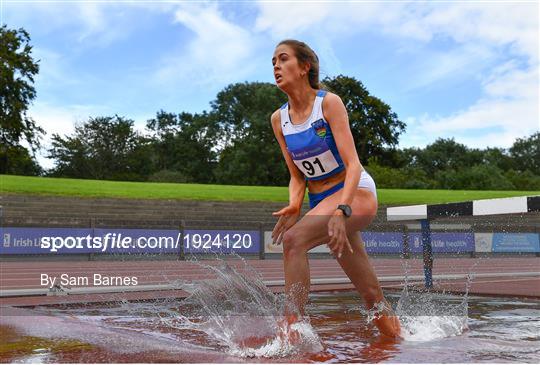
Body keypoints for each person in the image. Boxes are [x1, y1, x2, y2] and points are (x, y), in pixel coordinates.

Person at [270, 39, 401, 338]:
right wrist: (294, 204)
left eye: (283, 58)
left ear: (304, 67)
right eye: (273, 61)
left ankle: (293, 330)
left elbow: (353, 164)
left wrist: (342, 209)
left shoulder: (328, 103)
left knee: (294, 241)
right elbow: (297, 176)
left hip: (354, 193)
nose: (276, 66)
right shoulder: (279, 120)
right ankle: (402, 340)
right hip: (322, 201)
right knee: (370, 294)